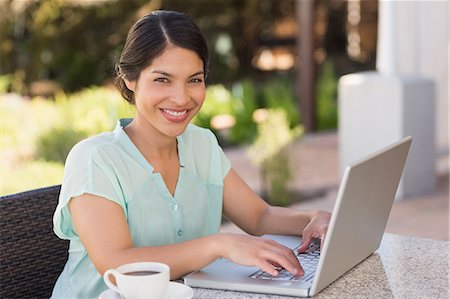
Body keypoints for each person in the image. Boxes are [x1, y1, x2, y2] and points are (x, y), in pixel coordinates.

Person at [51, 10, 331, 298]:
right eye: (162, 80)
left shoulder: (202, 144)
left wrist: (313, 218)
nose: (182, 98)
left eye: (194, 80)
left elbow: (258, 216)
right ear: (129, 78)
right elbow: (116, 263)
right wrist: (219, 245)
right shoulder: (94, 159)